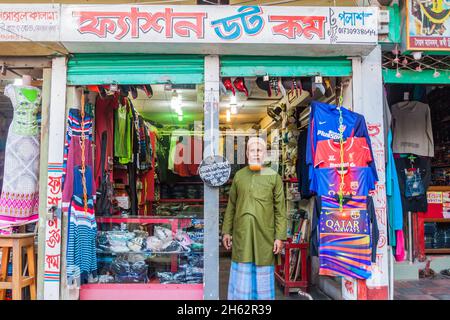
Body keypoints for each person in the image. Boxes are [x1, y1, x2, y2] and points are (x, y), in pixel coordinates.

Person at [222, 136, 287, 300]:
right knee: (242, 274)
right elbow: (231, 206)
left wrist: (280, 237)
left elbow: (280, 210)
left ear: (265, 153)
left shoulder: (274, 177)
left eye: (259, 150)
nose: (256, 153)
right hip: (242, 234)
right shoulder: (239, 176)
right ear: (247, 153)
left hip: (264, 236)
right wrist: (226, 232)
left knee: (262, 275)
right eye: (252, 150)